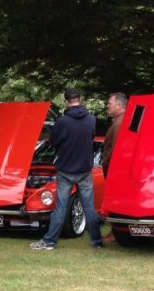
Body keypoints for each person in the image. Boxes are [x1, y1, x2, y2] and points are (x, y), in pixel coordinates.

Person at [30, 88, 102, 250]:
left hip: (66, 170)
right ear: (80, 99)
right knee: (89, 207)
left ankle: (50, 241)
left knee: (61, 207)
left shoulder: (62, 122)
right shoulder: (91, 119)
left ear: (66, 101)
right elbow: (91, 137)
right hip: (84, 170)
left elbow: (54, 142)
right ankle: (96, 241)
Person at [102, 92, 127, 178]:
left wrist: (106, 164)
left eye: (110, 104)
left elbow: (115, 149)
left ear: (119, 106)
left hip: (113, 171)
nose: (107, 106)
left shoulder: (120, 123)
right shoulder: (121, 120)